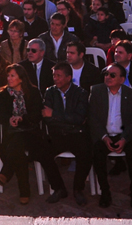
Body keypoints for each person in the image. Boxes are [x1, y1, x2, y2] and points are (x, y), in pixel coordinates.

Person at [0, 64, 67, 204]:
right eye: (8, 75)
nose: (9, 78)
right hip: (12, 133)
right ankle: (28, 189)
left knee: (38, 151)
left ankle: (9, 175)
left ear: (21, 78)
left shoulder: (33, 92)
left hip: (32, 132)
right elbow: (0, 116)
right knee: (17, 147)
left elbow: (37, 115)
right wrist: (10, 119)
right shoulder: (4, 94)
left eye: (12, 75)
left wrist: (22, 119)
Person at [89, 62, 132, 208]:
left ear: (122, 79)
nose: (108, 77)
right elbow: (92, 118)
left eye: (112, 75)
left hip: (124, 135)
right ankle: (105, 192)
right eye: (106, 74)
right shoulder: (96, 91)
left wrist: (124, 138)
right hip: (104, 135)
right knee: (97, 153)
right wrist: (104, 137)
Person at [42, 62, 93, 206]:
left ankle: (78, 189)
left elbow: (79, 118)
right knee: (43, 153)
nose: (56, 79)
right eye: (54, 76)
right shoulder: (50, 92)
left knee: (86, 153)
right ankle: (59, 188)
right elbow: (47, 118)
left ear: (69, 77)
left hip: (76, 134)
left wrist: (55, 115)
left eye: (59, 76)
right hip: (58, 134)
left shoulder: (81, 93)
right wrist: (65, 119)